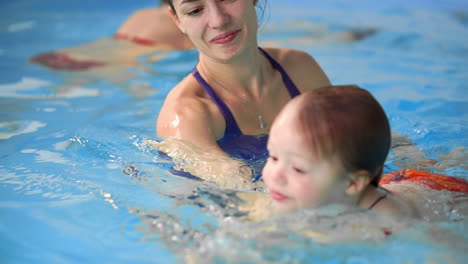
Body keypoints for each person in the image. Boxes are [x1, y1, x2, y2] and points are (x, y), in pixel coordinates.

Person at [155, 0, 331, 185]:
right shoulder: (187, 114)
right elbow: (247, 199)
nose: (218, 21)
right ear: (177, 20)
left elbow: (347, 148)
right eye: (195, 10)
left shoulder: (300, 69)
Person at [261, 85, 419, 217]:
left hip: (430, 188)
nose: (276, 176)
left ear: (353, 183)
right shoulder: (288, 195)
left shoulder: (388, 221)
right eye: (273, 157)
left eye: (298, 169)